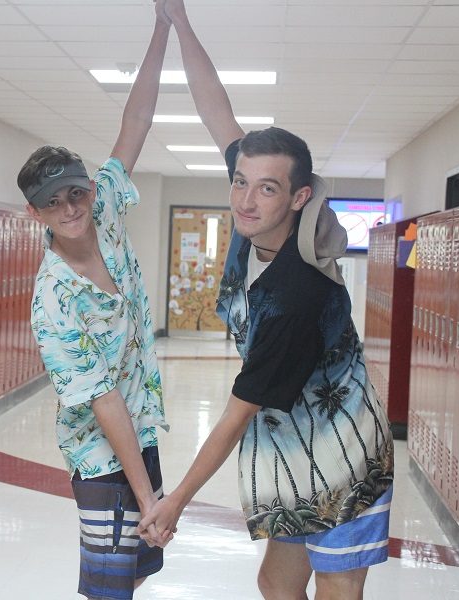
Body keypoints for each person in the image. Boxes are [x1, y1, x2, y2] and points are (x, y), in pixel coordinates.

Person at [138, 2, 395, 598]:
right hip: (292, 445)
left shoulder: (294, 297)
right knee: (277, 584)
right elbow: (216, 109)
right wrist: (178, 21)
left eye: (267, 188)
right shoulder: (255, 226)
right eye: (239, 182)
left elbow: (235, 416)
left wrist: (175, 501)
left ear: (299, 196)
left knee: (337, 585)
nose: (246, 200)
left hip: (343, 452)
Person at [17, 3, 172, 598]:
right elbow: (102, 403)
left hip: (142, 429)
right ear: (36, 213)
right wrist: (146, 493)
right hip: (102, 456)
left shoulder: (104, 210)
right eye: (54, 202)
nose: (71, 208)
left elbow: (135, 123)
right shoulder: (53, 302)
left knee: (134, 573)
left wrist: (162, 30)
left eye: (76, 192)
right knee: (107, 587)